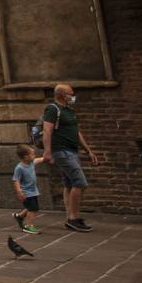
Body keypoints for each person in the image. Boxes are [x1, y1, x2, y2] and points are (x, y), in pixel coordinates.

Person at [42, 83, 98, 233]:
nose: (72, 96)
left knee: (69, 184)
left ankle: (70, 217)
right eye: (70, 94)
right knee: (80, 182)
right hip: (62, 151)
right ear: (60, 94)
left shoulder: (68, 110)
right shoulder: (53, 109)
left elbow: (76, 132)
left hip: (72, 151)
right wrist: (48, 151)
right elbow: (47, 130)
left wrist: (88, 150)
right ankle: (74, 218)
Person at [12, 145, 41, 235]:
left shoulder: (31, 163)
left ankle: (19, 216)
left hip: (33, 191)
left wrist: (46, 158)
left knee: (31, 207)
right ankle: (29, 226)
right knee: (33, 209)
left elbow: (38, 160)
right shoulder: (19, 168)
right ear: (26, 157)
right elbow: (16, 180)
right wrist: (19, 191)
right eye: (32, 154)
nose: (34, 156)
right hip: (26, 192)